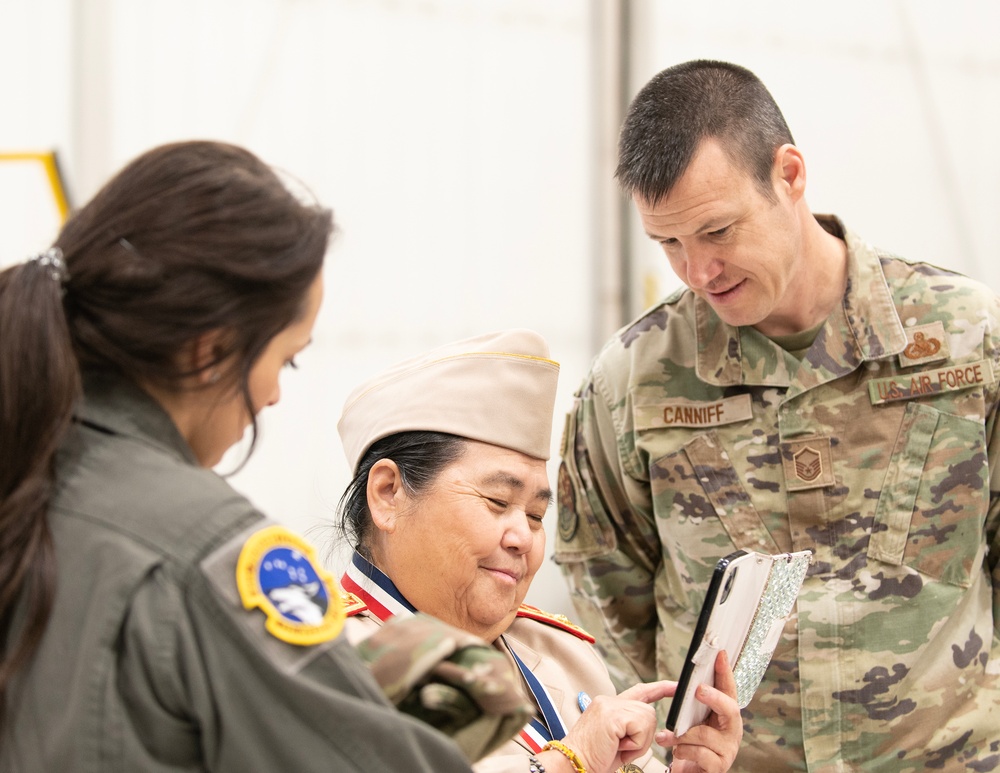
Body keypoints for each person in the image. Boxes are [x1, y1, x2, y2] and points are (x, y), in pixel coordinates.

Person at [0, 140, 533, 771]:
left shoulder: (29, 466)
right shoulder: (211, 553)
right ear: (208, 352)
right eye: (285, 358)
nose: (275, 396)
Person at [553, 58, 1000, 772]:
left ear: (789, 175)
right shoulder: (630, 382)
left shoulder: (967, 338)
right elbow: (607, 597)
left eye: (717, 230)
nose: (698, 271)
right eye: (668, 243)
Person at [334, 328, 743, 773]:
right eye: (496, 502)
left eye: (535, 516)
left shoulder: (564, 655)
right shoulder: (326, 664)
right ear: (389, 494)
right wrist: (573, 760)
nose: (522, 538)